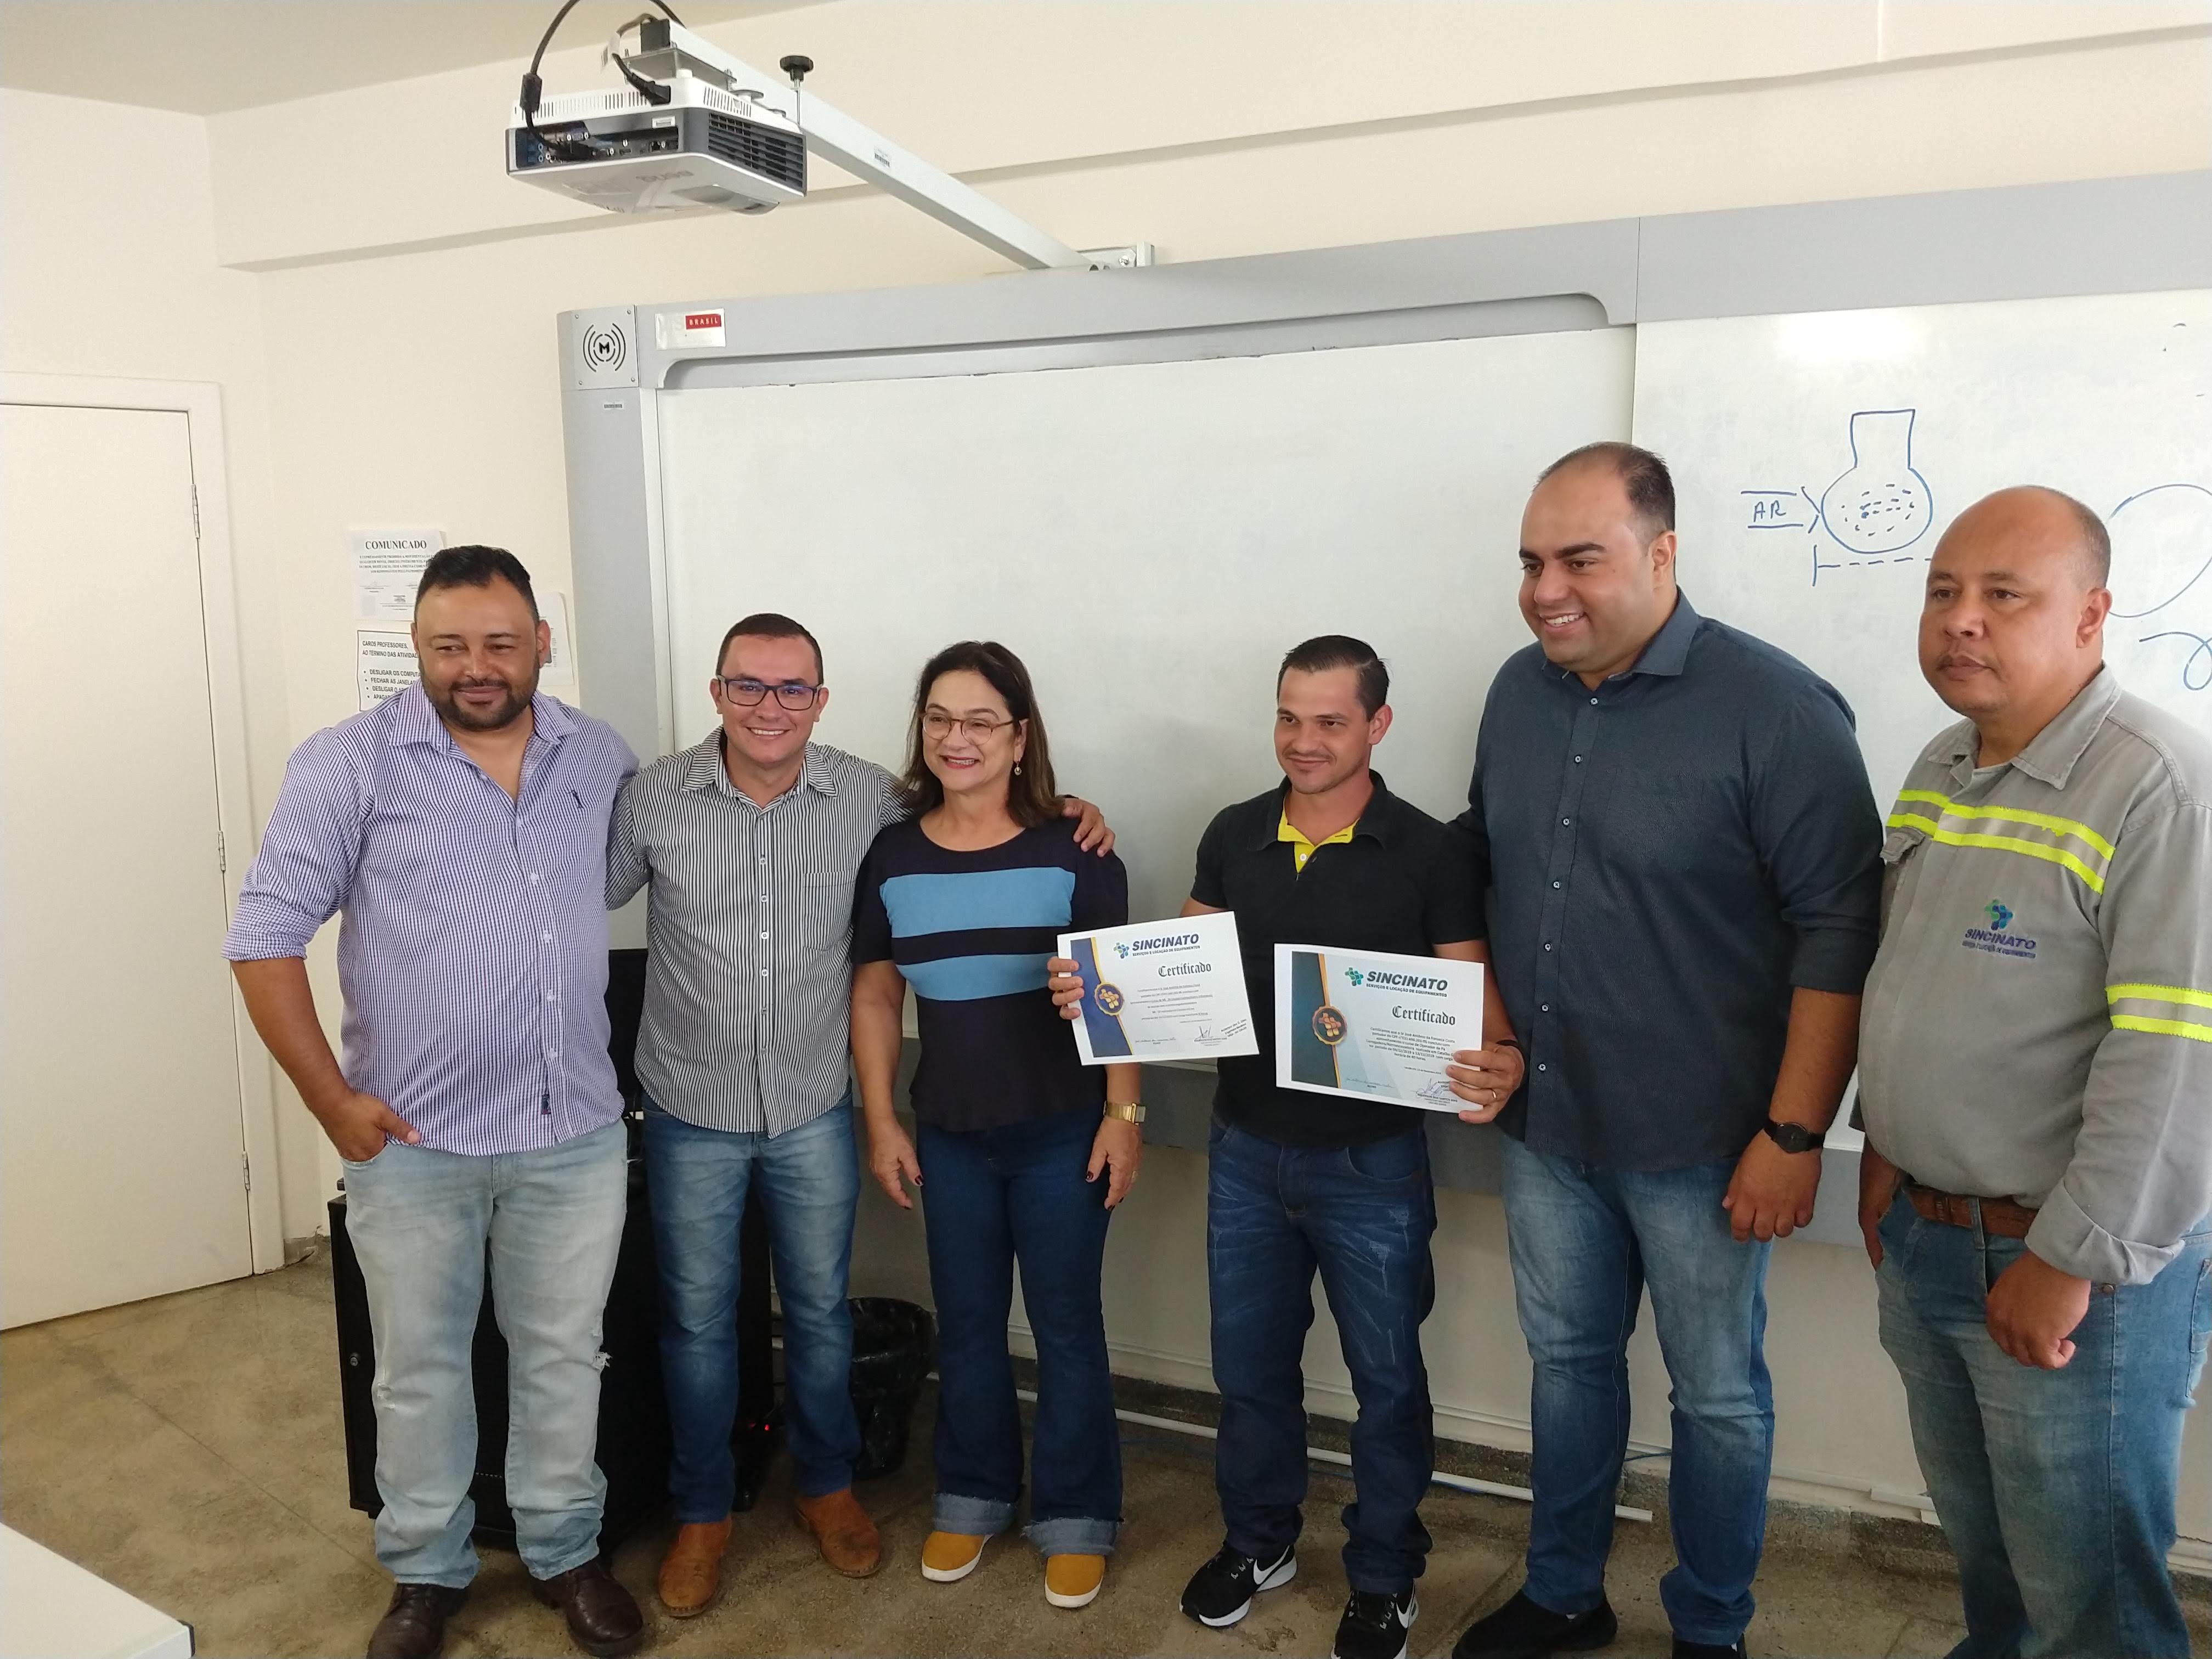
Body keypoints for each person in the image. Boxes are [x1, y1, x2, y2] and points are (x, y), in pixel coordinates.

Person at [1452, 444, 1882, 1659]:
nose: (1546, 591)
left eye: (1579, 559)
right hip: (1548, 1125)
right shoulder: (1517, 692)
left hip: (1707, 1141)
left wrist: (1795, 1133)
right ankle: (1563, 1594)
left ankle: (1709, 1625)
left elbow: (1840, 930)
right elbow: (1484, 862)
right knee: (1568, 1367)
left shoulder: (1778, 709)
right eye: (1531, 562)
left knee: (1720, 1398)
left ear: (1663, 554)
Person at [606, 616, 1113, 1615]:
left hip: (811, 1103)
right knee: (698, 1322)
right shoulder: (654, 796)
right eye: (748, 686)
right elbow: (579, 889)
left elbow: (988, 820)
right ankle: (703, 1512)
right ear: (716, 692)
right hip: (692, 1103)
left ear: (822, 700)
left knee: (822, 1314)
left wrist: (1070, 807)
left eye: (793, 688)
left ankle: (828, 1487)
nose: (770, 707)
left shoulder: (869, 801)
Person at [1053, 635, 1521, 1659]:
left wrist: (1502, 1061)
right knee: (1249, 1371)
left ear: (1378, 726)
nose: (1304, 742)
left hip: (1374, 1167)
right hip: (1246, 1152)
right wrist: (1102, 992)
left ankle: (1385, 1576)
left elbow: (1479, 1007)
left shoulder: (1432, 852)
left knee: (1387, 1384)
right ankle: (1259, 1542)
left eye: (1330, 722)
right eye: (1289, 718)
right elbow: (1176, 973)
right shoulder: (1234, 832)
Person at [224, 548, 646, 1659]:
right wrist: (331, 1102)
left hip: (571, 1134)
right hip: (415, 1140)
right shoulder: (349, 764)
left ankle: (565, 1550)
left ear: (541, 641)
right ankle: (425, 1570)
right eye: (448, 645)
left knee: (565, 1356)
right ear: (415, 646)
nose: (476, 666)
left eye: (500, 643)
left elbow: (655, 852)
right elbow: (263, 938)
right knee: (417, 1372)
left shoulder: (596, 754)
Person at [1856, 487, 2212, 1659]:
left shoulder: (2163, 788)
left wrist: (2067, 1262)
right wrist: (1884, 1149)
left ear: (2092, 615)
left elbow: (2176, 1061)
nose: (1962, 619)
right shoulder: (1943, 761)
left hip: (2064, 1268)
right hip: (1929, 1235)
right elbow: (1913, 979)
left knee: (2089, 1601)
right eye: (1943, 592)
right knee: (1995, 1567)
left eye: (2004, 595)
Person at [849, 640, 1141, 1613]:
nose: (957, 738)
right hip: (950, 1133)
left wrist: (1125, 1117)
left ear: (1020, 737)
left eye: (981, 721)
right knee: (969, 1326)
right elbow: (877, 995)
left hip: (1064, 1131)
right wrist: (883, 1118)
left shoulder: (1076, 849)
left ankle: (1078, 1515)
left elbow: (1120, 995)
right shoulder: (892, 854)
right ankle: (972, 1497)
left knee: (1067, 1329)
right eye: (940, 718)